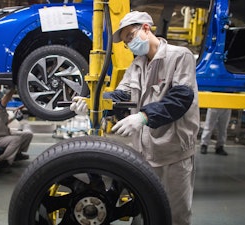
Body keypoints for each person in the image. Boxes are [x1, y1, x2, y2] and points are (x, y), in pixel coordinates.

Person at [70, 11, 199, 225]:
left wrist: (143, 117)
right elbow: (121, 96)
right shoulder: (137, 65)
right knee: (143, 213)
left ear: (146, 28)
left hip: (174, 153)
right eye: (126, 41)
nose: (129, 44)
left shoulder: (179, 56)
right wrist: (93, 103)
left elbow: (181, 98)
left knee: (176, 216)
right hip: (145, 154)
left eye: (130, 36)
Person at [0, 84, 33, 172]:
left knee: (28, 134)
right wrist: (13, 89)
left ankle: (17, 154)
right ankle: (2, 161)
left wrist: (15, 116)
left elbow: (4, 122)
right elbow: (4, 102)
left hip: (4, 133)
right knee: (16, 140)